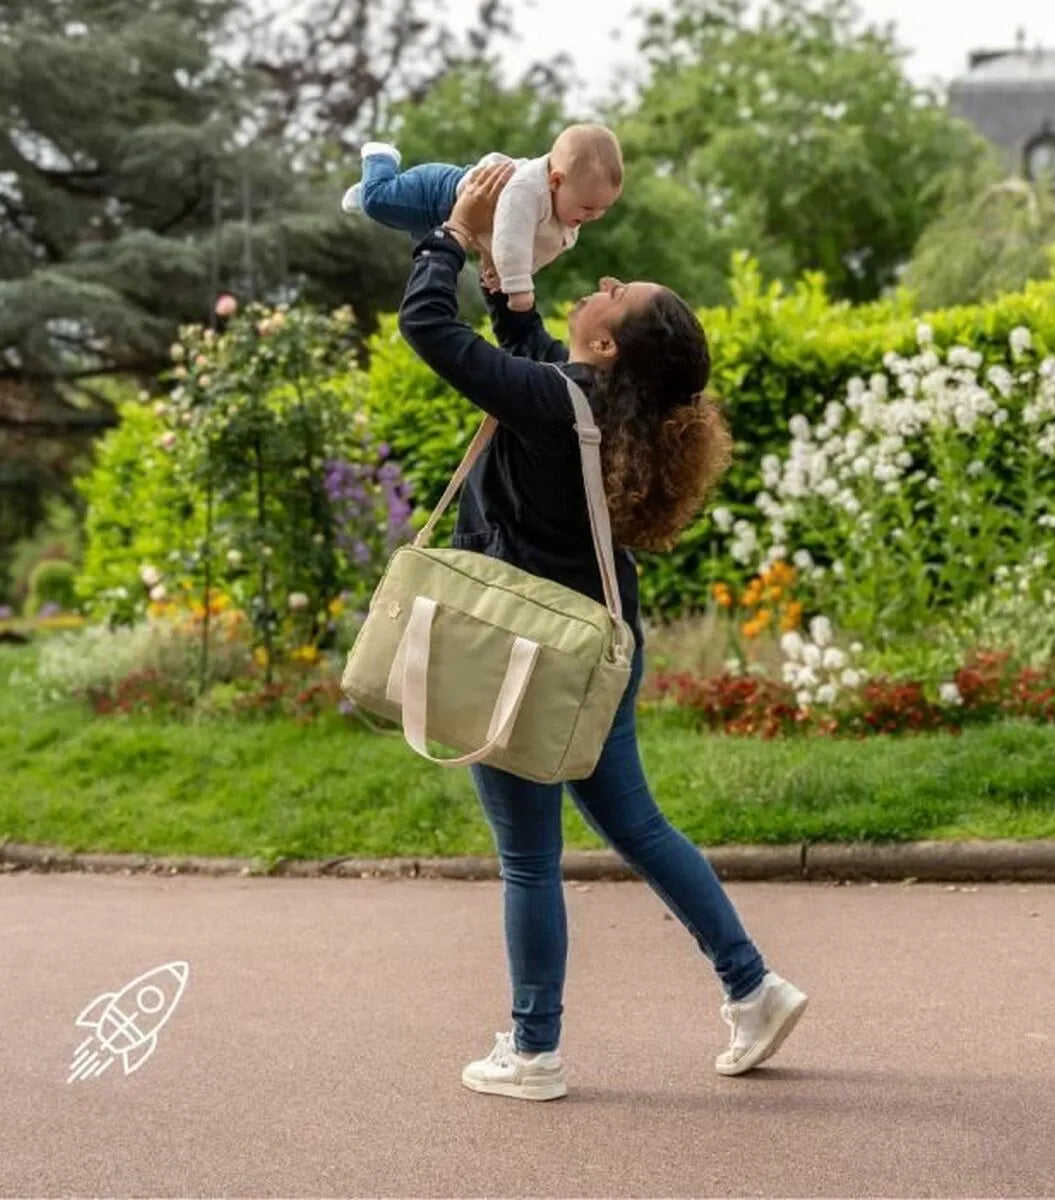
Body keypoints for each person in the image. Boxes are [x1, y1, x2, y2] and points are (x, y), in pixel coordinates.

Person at [396, 163, 808, 1102]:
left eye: (622, 297)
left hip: (522, 651)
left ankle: (534, 1052)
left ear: (611, 348)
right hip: (598, 649)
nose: (609, 283)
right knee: (638, 824)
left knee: (529, 858)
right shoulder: (592, 406)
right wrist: (512, 287)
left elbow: (429, 330)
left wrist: (453, 237)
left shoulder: (558, 405)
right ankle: (753, 986)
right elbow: (530, 354)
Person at [343, 124, 623, 312]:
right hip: (439, 195)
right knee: (377, 201)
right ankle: (380, 158)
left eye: (603, 209)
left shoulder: (564, 212)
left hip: (456, 222)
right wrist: (518, 288)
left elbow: (533, 249)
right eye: (588, 208)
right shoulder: (526, 190)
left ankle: (374, 189)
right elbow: (512, 240)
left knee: (404, 225)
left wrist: (498, 273)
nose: (595, 216)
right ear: (555, 180)